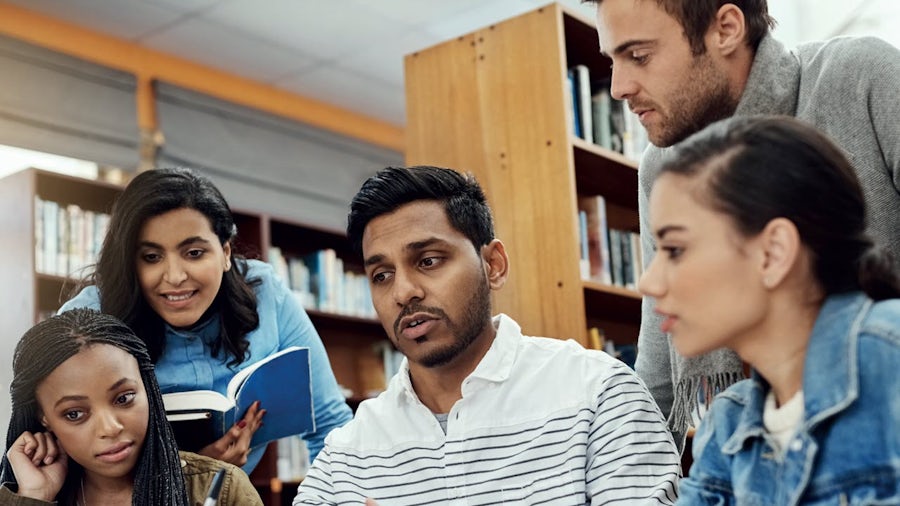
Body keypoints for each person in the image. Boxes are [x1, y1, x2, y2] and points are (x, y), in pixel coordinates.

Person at [586, 0, 900, 447]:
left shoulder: (861, 75)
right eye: (611, 60)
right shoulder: (661, 166)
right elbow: (658, 359)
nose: (618, 87)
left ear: (727, 28)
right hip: (762, 441)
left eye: (639, 56)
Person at [292, 165, 680, 505]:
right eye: (382, 275)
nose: (402, 292)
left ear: (493, 265)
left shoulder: (599, 395)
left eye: (428, 261)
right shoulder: (346, 456)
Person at [638, 115, 900, 503]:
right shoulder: (726, 430)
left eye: (675, 249)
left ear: (774, 252)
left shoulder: (890, 361)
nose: (648, 283)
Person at [58, 167, 352, 472]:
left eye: (194, 253)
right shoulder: (88, 319)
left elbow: (332, 427)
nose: (174, 277)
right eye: (151, 257)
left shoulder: (266, 294)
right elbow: (59, 453)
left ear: (225, 252)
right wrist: (193, 472)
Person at [0, 308, 263, 505]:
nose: (110, 428)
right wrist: (35, 497)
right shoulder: (26, 494)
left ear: (147, 389)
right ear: (44, 417)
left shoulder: (224, 489)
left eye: (123, 398)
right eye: (75, 414)